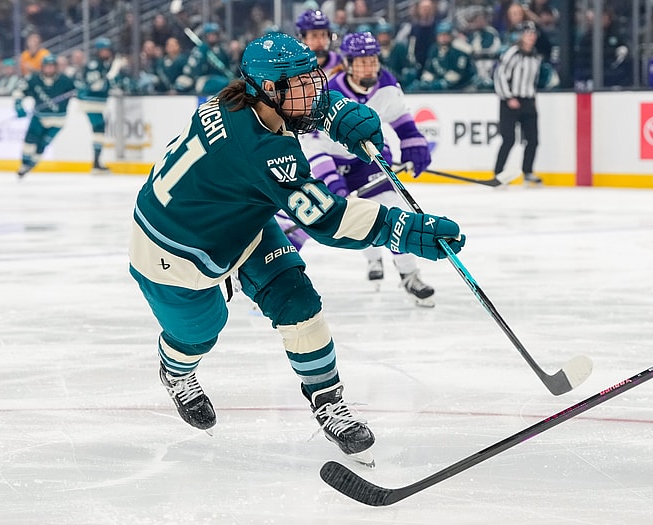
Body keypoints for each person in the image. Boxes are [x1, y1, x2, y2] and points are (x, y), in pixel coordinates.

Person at [128, 32, 464, 466]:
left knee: (298, 301)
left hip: (240, 219)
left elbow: (301, 111)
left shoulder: (243, 100)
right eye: (303, 84)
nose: (315, 91)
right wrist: (402, 228)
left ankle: (328, 402)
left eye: (313, 80)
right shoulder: (262, 150)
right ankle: (175, 372)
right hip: (172, 251)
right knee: (199, 333)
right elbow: (326, 220)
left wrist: (334, 112)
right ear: (269, 89)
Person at [292, 32, 437, 306]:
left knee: (394, 212)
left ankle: (409, 275)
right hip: (331, 161)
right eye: (362, 62)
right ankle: (275, 280)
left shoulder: (387, 85)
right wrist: (331, 180)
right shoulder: (328, 94)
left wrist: (413, 144)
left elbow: (401, 119)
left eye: (373, 60)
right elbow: (313, 143)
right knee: (314, 221)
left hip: (367, 159)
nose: (369, 67)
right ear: (348, 64)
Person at [492, 21, 557, 185]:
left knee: (533, 139)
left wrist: (533, 98)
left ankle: (527, 171)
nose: (531, 37)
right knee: (508, 139)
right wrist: (508, 97)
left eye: (533, 34)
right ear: (521, 36)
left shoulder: (535, 56)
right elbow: (500, 76)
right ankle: (498, 172)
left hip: (528, 100)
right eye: (528, 34)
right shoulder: (512, 53)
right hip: (510, 101)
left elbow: (534, 80)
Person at [12, 54, 76, 179]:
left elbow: (78, 90)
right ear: (42, 67)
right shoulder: (34, 78)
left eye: (52, 66)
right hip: (39, 117)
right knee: (29, 140)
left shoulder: (65, 80)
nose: (49, 69)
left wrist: (81, 91)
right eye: (47, 66)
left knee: (43, 144)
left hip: (58, 120)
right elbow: (19, 90)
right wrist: (18, 105)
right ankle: (24, 164)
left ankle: (32, 164)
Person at [76, 37, 115, 173]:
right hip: (91, 102)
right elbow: (94, 85)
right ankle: (96, 163)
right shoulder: (94, 64)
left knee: (99, 130)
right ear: (98, 51)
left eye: (108, 49)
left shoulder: (104, 64)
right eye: (104, 50)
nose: (106, 52)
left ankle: (97, 162)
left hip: (98, 103)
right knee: (99, 128)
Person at [296, 9, 343, 77]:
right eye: (314, 35)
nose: (320, 41)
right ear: (302, 38)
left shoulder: (340, 63)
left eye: (323, 34)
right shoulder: (293, 66)